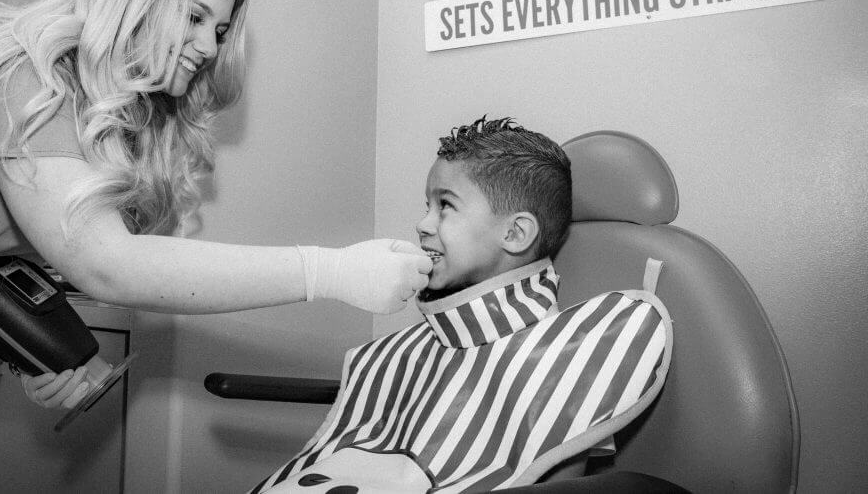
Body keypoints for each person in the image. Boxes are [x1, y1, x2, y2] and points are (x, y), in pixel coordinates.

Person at [0, 0, 431, 492]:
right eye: (196, 18)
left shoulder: (120, 117)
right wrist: (332, 270)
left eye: (220, 30)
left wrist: (22, 349)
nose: (208, 46)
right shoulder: (26, 75)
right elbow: (107, 264)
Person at [252, 117, 672, 494]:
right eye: (426, 205)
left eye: (445, 206)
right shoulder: (404, 352)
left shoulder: (571, 359)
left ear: (515, 233)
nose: (422, 223)